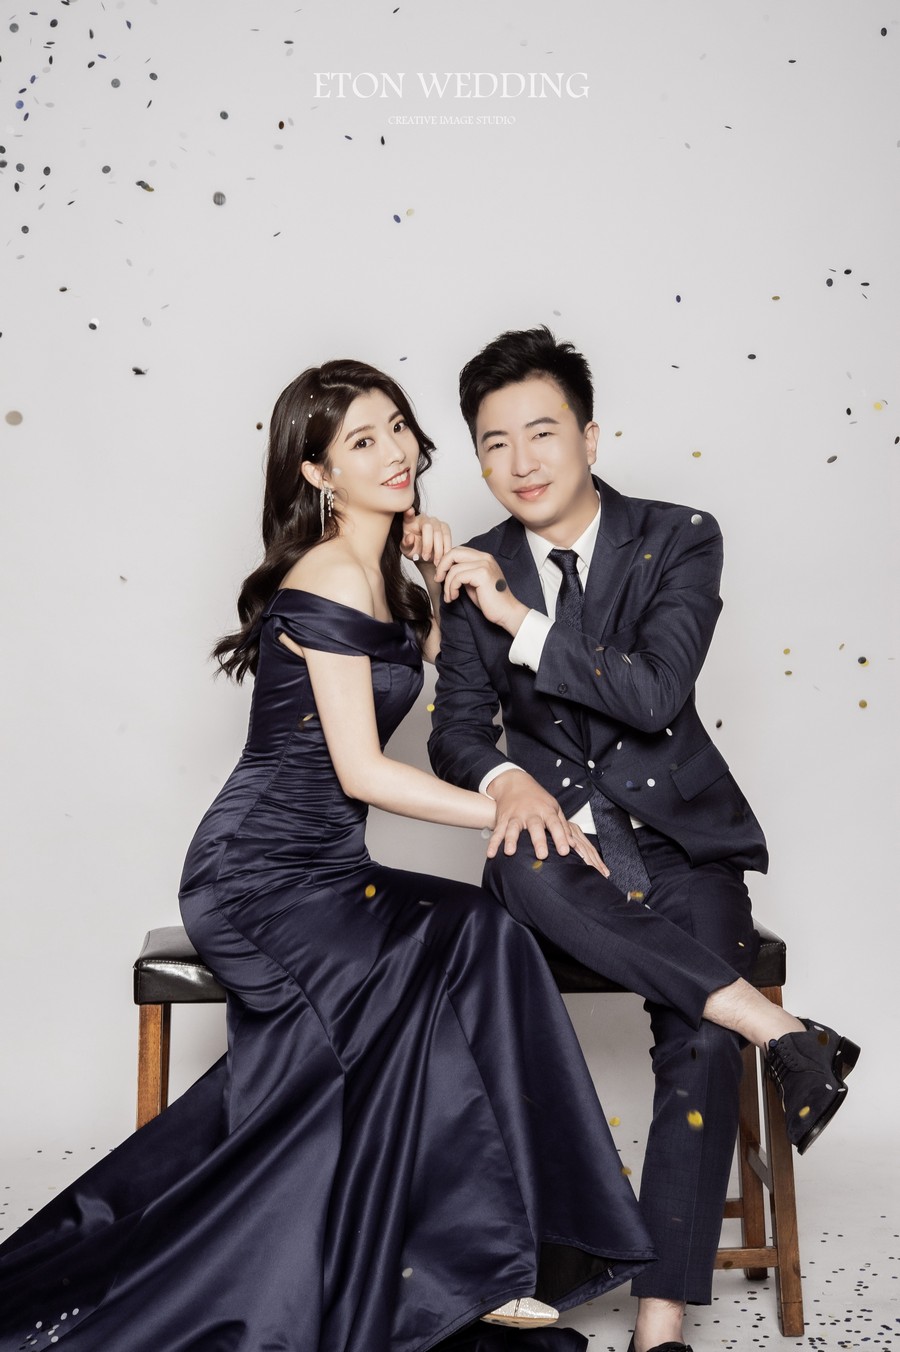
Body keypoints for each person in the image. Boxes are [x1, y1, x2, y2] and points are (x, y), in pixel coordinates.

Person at [0, 359, 657, 1352]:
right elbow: (363, 770)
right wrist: (508, 809)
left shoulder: (385, 576)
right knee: (406, 982)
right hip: (256, 875)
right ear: (316, 472)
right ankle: (463, 1268)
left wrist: (442, 573)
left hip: (332, 869)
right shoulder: (331, 573)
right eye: (361, 440)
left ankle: (515, 1243)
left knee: (483, 934)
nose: (395, 451)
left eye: (397, 427)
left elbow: (461, 690)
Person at [428, 327, 860, 1352]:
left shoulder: (679, 536)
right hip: (555, 846)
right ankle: (783, 1033)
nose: (521, 461)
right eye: (494, 443)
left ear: (590, 436)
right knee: (515, 857)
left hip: (680, 843)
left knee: (700, 1032)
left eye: (542, 432)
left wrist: (518, 620)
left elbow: (658, 691)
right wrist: (503, 776)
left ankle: (659, 1326)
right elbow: (455, 731)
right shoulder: (474, 563)